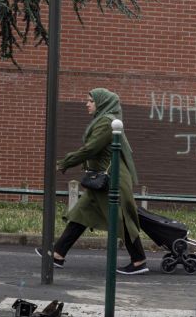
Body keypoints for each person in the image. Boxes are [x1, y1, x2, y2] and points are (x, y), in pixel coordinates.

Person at [39, 88, 148, 275]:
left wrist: (64, 162)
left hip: (112, 180)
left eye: (90, 101)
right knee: (81, 214)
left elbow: (90, 149)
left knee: (121, 219)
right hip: (101, 179)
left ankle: (139, 260)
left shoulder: (106, 123)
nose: (86, 104)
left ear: (102, 103)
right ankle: (57, 253)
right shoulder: (102, 121)